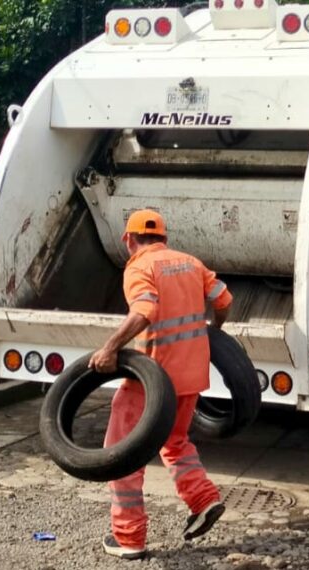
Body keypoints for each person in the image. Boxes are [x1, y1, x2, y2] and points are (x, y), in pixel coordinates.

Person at [89, 209, 233, 560]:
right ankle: (203, 500)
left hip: (153, 380)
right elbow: (224, 299)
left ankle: (129, 538)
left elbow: (145, 309)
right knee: (175, 441)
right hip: (191, 375)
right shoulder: (190, 262)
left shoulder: (139, 266)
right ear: (163, 237)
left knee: (121, 452)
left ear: (129, 240)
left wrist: (110, 347)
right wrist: (215, 328)